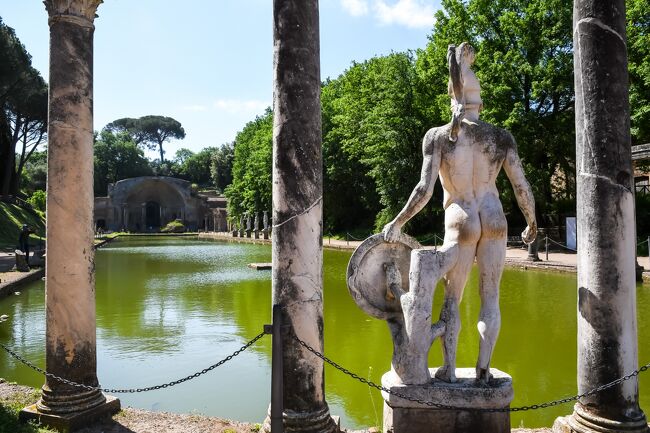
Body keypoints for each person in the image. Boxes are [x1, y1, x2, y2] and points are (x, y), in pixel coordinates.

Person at [382, 42, 537, 384]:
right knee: (491, 298)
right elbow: (522, 187)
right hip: (494, 217)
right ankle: (483, 371)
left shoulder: (438, 137)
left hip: (461, 218)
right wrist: (531, 222)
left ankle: (449, 370)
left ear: (452, 97)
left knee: (453, 297)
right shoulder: (500, 137)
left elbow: (423, 191)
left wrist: (397, 222)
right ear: (480, 99)